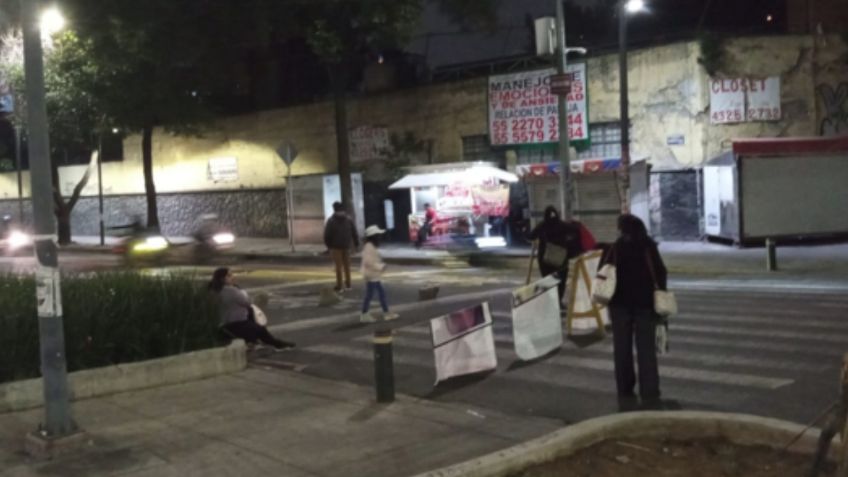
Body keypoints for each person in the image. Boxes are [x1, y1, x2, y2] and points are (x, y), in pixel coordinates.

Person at [600, 214, 667, 409]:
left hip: (620, 305)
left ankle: (625, 388)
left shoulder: (617, 247)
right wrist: (660, 292)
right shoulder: (648, 246)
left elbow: (605, 271)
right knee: (646, 349)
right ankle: (650, 389)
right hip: (645, 305)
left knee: (622, 349)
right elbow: (661, 272)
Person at [208, 267, 294, 349]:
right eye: (229, 275)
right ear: (222, 279)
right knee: (260, 328)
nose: (233, 277)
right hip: (236, 324)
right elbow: (247, 303)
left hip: (222, 326)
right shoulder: (231, 291)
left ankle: (256, 341)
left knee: (252, 318)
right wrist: (242, 292)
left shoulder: (213, 290)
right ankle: (275, 343)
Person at [528, 206, 586, 301]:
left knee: (548, 280)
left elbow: (531, 236)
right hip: (560, 259)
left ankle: (551, 302)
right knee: (560, 281)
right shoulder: (562, 225)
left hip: (544, 259)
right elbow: (576, 230)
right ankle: (559, 300)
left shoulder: (542, 225)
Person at [360, 225, 398, 323]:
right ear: (374, 236)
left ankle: (385, 313)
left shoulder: (370, 246)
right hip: (372, 275)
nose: (380, 237)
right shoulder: (369, 247)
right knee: (371, 295)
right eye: (378, 235)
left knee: (380, 294)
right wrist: (380, 266)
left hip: (373, 275)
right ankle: (365, 314)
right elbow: (368, 262)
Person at [324, 201, 359, 292]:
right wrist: (356, 243)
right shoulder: (348, 219)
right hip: (346, 246)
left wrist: (329, 246)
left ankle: (339, 286)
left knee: (338, 267)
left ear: (334, 209)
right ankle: (348, 285)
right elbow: (354, 232)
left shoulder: (331, 220)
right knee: (347, 266)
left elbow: (327, 235)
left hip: (336, 247)